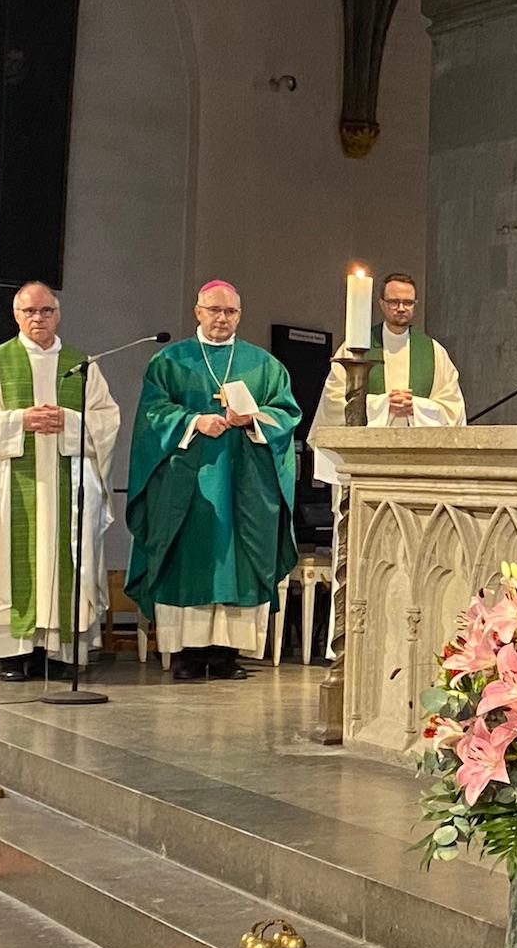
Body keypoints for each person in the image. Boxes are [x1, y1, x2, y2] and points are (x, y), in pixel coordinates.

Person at [126, 280, 302, 681]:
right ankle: (187, 656)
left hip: (244, 483)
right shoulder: (170, 362)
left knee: (235, 562)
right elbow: (152, 414)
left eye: (231, 312)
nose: (222, 318)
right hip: (188, 484)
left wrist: (253, 419)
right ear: (198, 312)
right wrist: (193, 420)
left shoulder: (264, 365)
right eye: (214, 310)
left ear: (240, 315)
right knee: (189, 558)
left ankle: (226, 655)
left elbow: (288, 413)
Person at [0, 282, 121, 681]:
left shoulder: (82, 364)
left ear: (58, 314)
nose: (38, 318)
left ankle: (57, 654)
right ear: (16, 315)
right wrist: (19, 420)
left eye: (46, 311)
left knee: (66, 559)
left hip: (67, 484)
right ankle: (12, 654)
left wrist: (70, 421)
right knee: (8, 561)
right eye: (29, 312)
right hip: (11, 485)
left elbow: (107, 418)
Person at [312, 272, 466, 482]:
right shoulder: (354, 349)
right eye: (394, 302)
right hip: (367, 461)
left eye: (408, 302)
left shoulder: (434, 351)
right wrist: (385, 404)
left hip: (417, 463)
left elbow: (453, 408)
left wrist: (415, 407)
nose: (401, 308)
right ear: (382, 304)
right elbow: (334, 401)